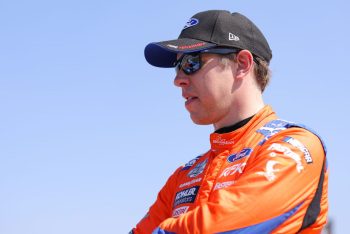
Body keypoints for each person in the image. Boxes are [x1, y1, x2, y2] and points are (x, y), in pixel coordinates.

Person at [130, 10, 328, 234]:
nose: (178, 80)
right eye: (177, 66)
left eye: (191, 62)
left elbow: (220, 229)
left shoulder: (293, 147)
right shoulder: (183, 176)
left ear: (242, 64)